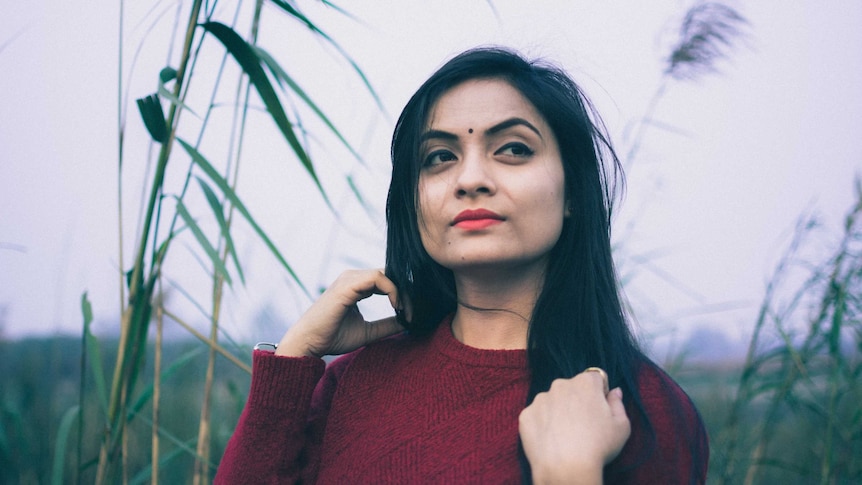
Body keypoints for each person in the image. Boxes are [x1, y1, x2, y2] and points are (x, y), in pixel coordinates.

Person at [215, 47, 708, 484]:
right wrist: (297, 357)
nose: (470, 179)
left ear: (573, 193)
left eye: (514, 149)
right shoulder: (352, 381)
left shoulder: (636, 409)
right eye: (439, 157)